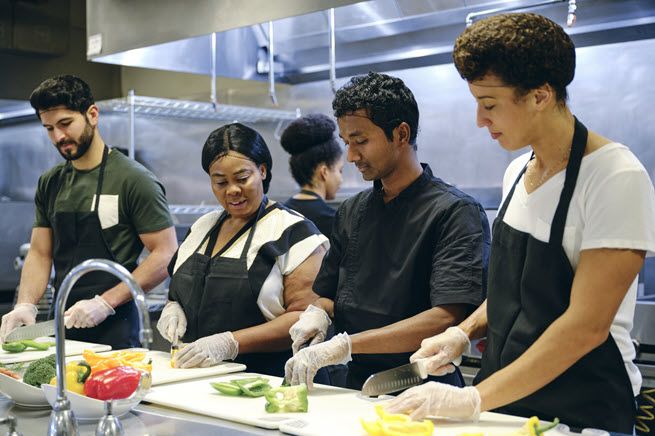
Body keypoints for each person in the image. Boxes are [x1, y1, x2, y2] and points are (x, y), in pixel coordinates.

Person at [385, 13, 655, 433]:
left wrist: (472, 397)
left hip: (584, 411)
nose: (479, 120)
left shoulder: (615, 176)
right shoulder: (516, 173)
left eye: (489, 105)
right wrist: (463, 330)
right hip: (508, 405)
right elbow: (520, 291)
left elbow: (587, 325)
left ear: (541, 96)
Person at [284, 72, 491, 390]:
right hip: (351, 384)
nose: (352, 156)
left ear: (401, 134)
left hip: (424, 384)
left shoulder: (455, 212)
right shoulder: (352, 211)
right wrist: (317, 315)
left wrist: (346, 345)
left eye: (361, 141)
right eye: (347, 143)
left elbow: (446, 316)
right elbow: (328, 296)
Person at [0, 75, 177, 349]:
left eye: (65, 124)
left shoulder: (133, 179)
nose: (58, 136)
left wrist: (105, 302)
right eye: (49, 128)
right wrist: (26, 304)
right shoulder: (51, 182)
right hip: (63, 325)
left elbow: (165, 255)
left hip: (117, 329)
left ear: (92, 115)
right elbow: (39, 252)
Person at [157, 123, 330, 377]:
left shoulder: (295, 232)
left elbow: (304, 318)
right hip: (198, 378)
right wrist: (172, 308)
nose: (232, 190)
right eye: (220, 182)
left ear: (262, 170)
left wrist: (229, 343)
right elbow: (183, 292)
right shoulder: (202, 228)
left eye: (241, 178)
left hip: (269, 382)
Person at [281, 113, 344, 237]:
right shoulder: (334, 221)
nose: (341, 180)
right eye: (340, 171)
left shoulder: (281, 212)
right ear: (324, 172)